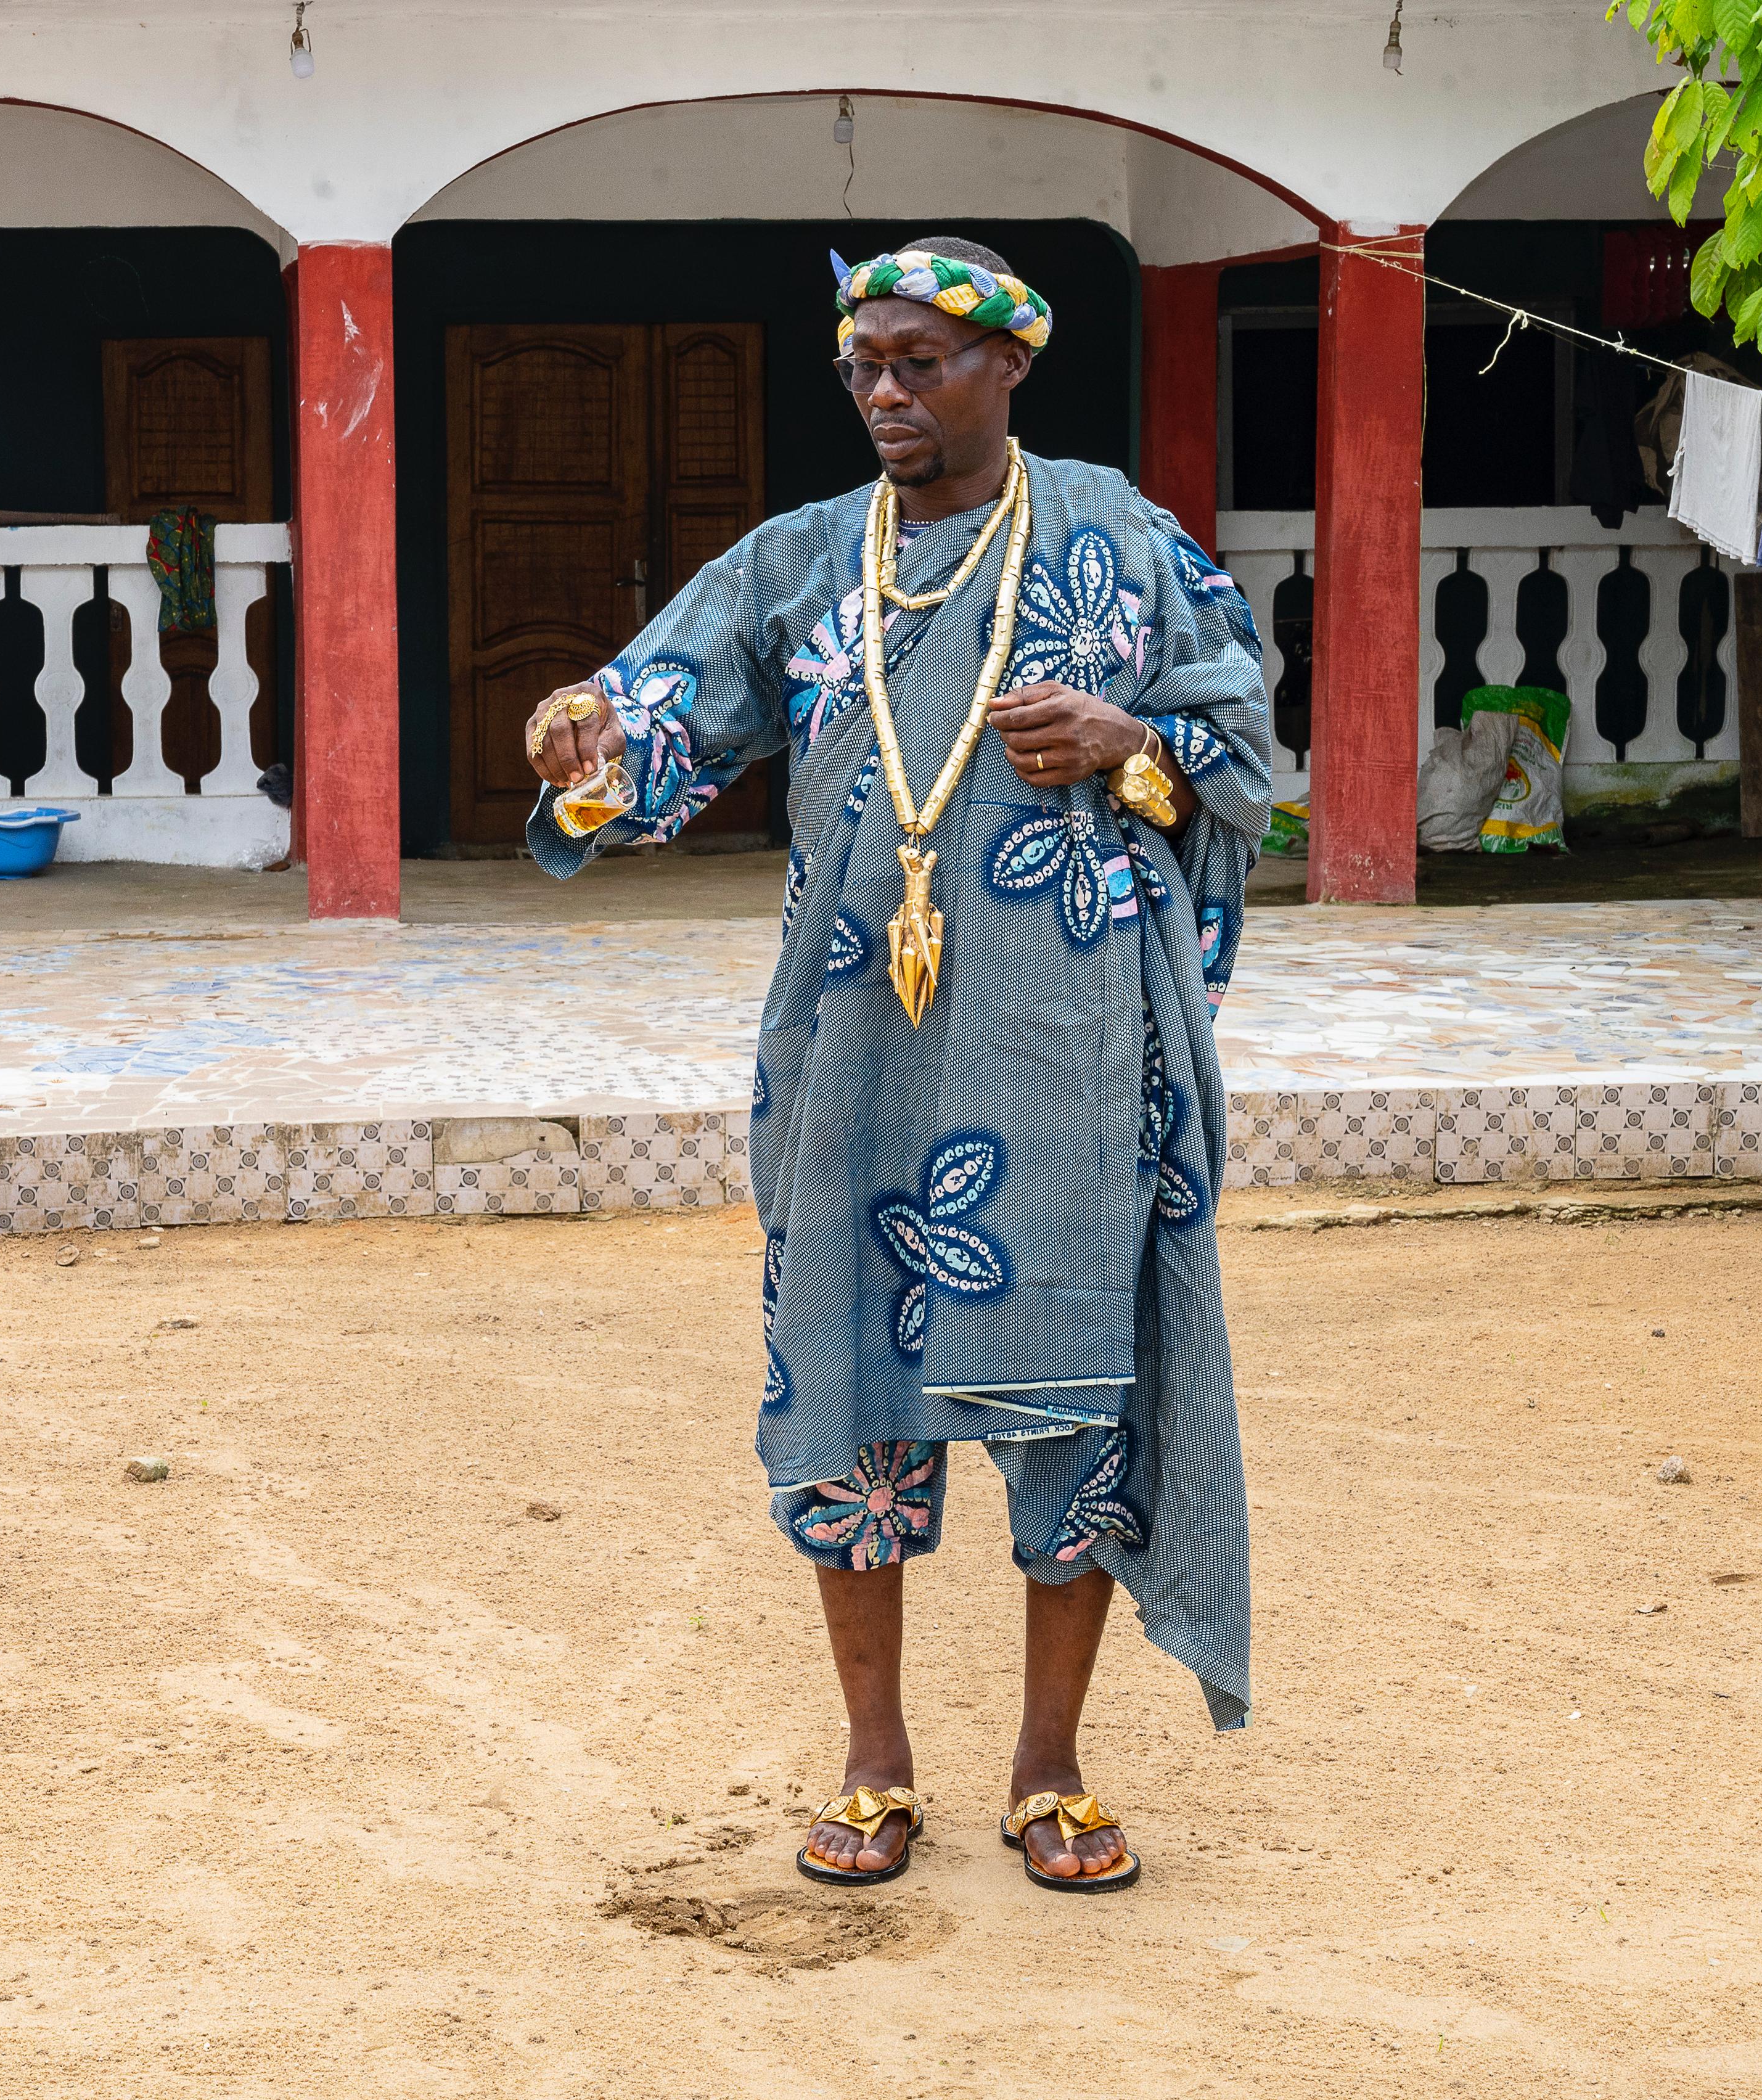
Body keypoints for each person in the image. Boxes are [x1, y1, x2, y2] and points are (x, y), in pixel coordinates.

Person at [524, 238, 1269, 1893]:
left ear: (1010, 367)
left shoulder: (1121, 541)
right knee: (848, 1377)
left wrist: (1132, 745)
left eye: (919, 363)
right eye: (863, 364)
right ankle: (875, 1764)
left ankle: (1050, 1769)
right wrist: (590, 740)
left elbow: (1243, 757)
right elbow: (657, 712)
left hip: (1070, 1051)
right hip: (854, 1045)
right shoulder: (800, 560)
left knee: (1079, 1392)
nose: (883, 392)